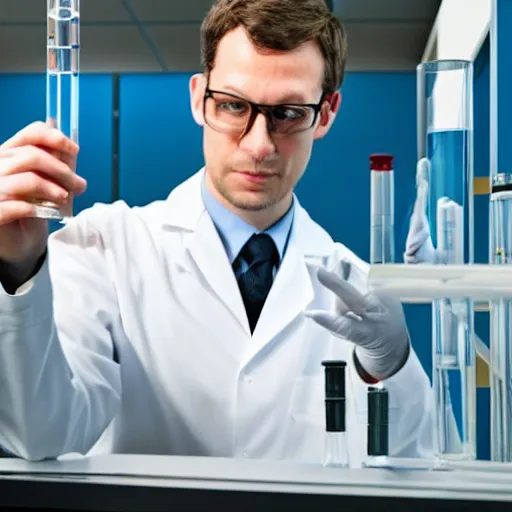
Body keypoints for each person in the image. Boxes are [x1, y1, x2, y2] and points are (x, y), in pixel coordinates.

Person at [0, 0, 434, 465]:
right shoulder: (105, 247)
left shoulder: (358, 292)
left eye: (288, 113)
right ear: (197, 97)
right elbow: (40, 434)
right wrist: (19, 268)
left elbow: (410, 468)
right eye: (231, 105)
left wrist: (389, 365)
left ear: (325, 114)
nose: (259, 145)